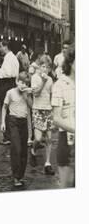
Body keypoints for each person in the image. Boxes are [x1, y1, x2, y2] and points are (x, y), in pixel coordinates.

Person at [1, 71, 33, 188]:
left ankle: (21, 174)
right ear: (16, 81)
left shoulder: (26, 94)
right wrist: (2, 123)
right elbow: (4, 108)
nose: (23, 85)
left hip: (23, 122)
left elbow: (31, 107)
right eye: (21, 82)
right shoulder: (10, 93)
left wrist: (27, 95)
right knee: (16, 148)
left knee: (24, 150)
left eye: (25, 83)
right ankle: (15, 176)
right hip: (13, 121)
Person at [51, 45, 75, 188]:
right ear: (71, 63)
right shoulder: (60, 84)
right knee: (68, 185)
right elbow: (56, 118)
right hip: (67, 141)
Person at [29, 55, 55, 175]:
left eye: (47, 67)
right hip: (38, 109)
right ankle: (33, 151)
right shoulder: (35, 77)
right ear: (39, 67)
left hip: (47, 110)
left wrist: (53, 110)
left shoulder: (50, 79)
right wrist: (43, 82)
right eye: (43, 66)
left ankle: (47, 163)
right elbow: (36, 94)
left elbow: (51, 95)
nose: (45, 69)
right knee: (38, 139)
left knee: (49, 138)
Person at [0, 40, 19, 146]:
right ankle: (11, 134)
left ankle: (7, 136)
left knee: (5, 108)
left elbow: (7, 73)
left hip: (6, 84)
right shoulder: (13, 57)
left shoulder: (8, 58)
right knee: (11, 110)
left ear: (5, 47)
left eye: (0, 47)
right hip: (12, 84)